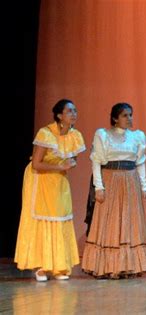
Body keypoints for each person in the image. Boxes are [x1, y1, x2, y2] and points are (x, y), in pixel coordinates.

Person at [15, 99, 85, 281]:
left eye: (75, 110)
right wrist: (61, 167)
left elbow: (72, 159)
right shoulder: (46, 133)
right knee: (41, 218)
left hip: (59, 180)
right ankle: (40, 266)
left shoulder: (75, 135)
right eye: (70, 111)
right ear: (59, 115)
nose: (74, 114)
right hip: (40, 178)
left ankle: (59, 266)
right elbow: (37, 164)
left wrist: (68, 165)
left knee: (61, 216)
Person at [82, 103, 146, 279]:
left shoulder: (137, 136)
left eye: (130, 115)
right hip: (111, 178)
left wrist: (144, 186)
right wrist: (99, 187)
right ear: (115, 118)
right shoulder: (103, 135)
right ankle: (108, 266)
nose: (129, 119)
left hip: (130, 180)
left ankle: (128, 266)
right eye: (124, 115)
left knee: (130, 221)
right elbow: (96, 162)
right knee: (111, 221)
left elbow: (140, 162)